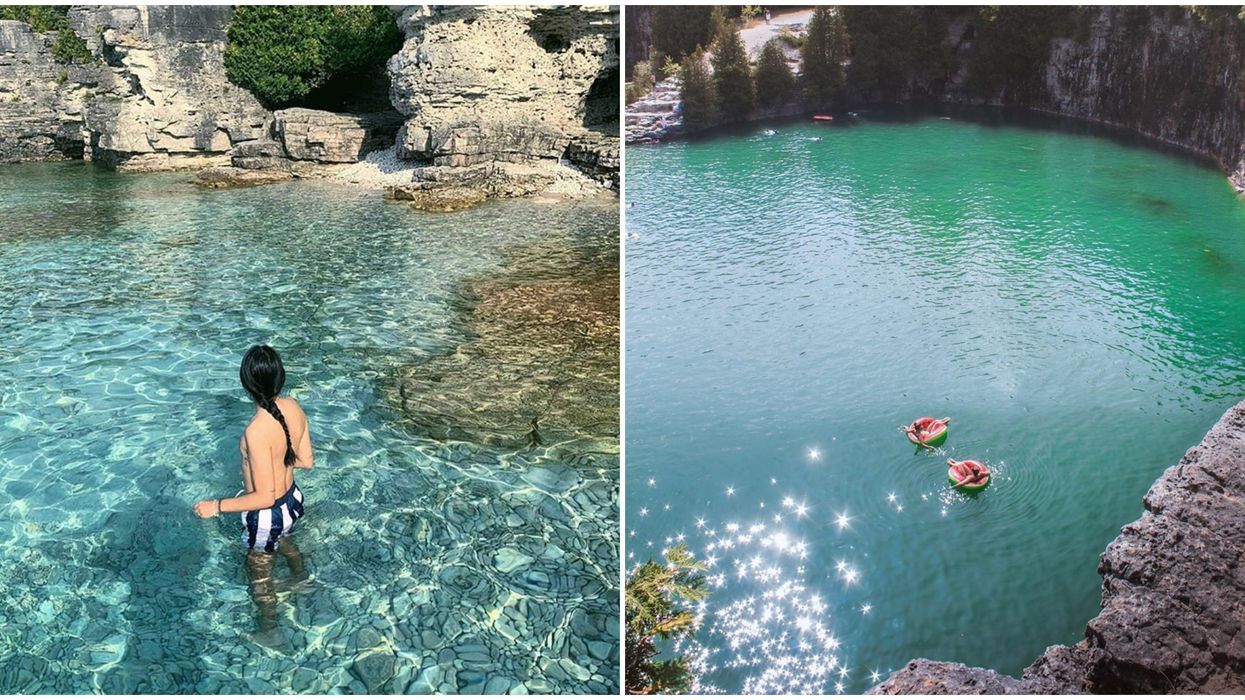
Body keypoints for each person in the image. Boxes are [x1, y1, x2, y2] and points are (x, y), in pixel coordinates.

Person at [193, 345, 314, 641]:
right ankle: (300, 579)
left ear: (246, 383)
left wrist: (216, 506)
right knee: (284, 537)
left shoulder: (256, 430)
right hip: (293, 501)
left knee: (259, 573)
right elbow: (306, 461)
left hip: (267, 514)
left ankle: (269, 630)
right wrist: (276, 464)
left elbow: (264, 497)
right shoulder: (293, 406)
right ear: (280, 377)